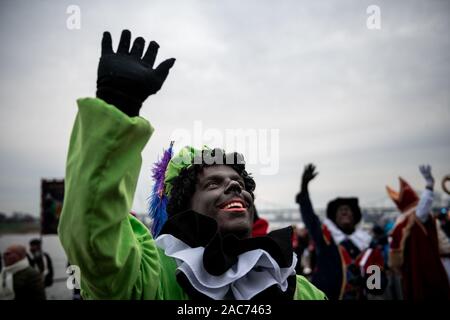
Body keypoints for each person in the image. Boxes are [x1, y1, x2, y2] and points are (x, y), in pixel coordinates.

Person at [58, 29, 326, 300]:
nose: (234, 185)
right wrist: (118, 105)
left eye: (240, 183)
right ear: (183, 206)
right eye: (212, 183)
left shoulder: (294, 287)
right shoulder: (153, 277)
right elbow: (93, 237)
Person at [295, 164, 385, 300]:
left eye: (348, 210)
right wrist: (304, 186)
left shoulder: (368, 246)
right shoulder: (326, 239)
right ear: (334, 218)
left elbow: (377, 286)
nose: (344, 211)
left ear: (355, 217)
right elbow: (310, 218)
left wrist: (370, 281)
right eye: (340, 210)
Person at [387, 165, 450, 299]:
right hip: (431, 266)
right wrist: (429, 186)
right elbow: (423, 207)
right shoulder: (413, 219)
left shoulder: (401, 224)